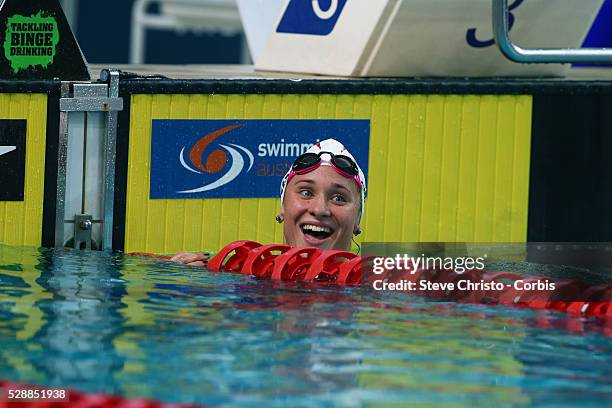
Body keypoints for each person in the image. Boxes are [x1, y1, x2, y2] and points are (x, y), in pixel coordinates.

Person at [170, 138, 367, 266]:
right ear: (282, 206)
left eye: (339, 198)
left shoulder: (379, 285)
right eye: (306, 192)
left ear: (358, 218)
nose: (319, 209)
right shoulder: (238, 275)